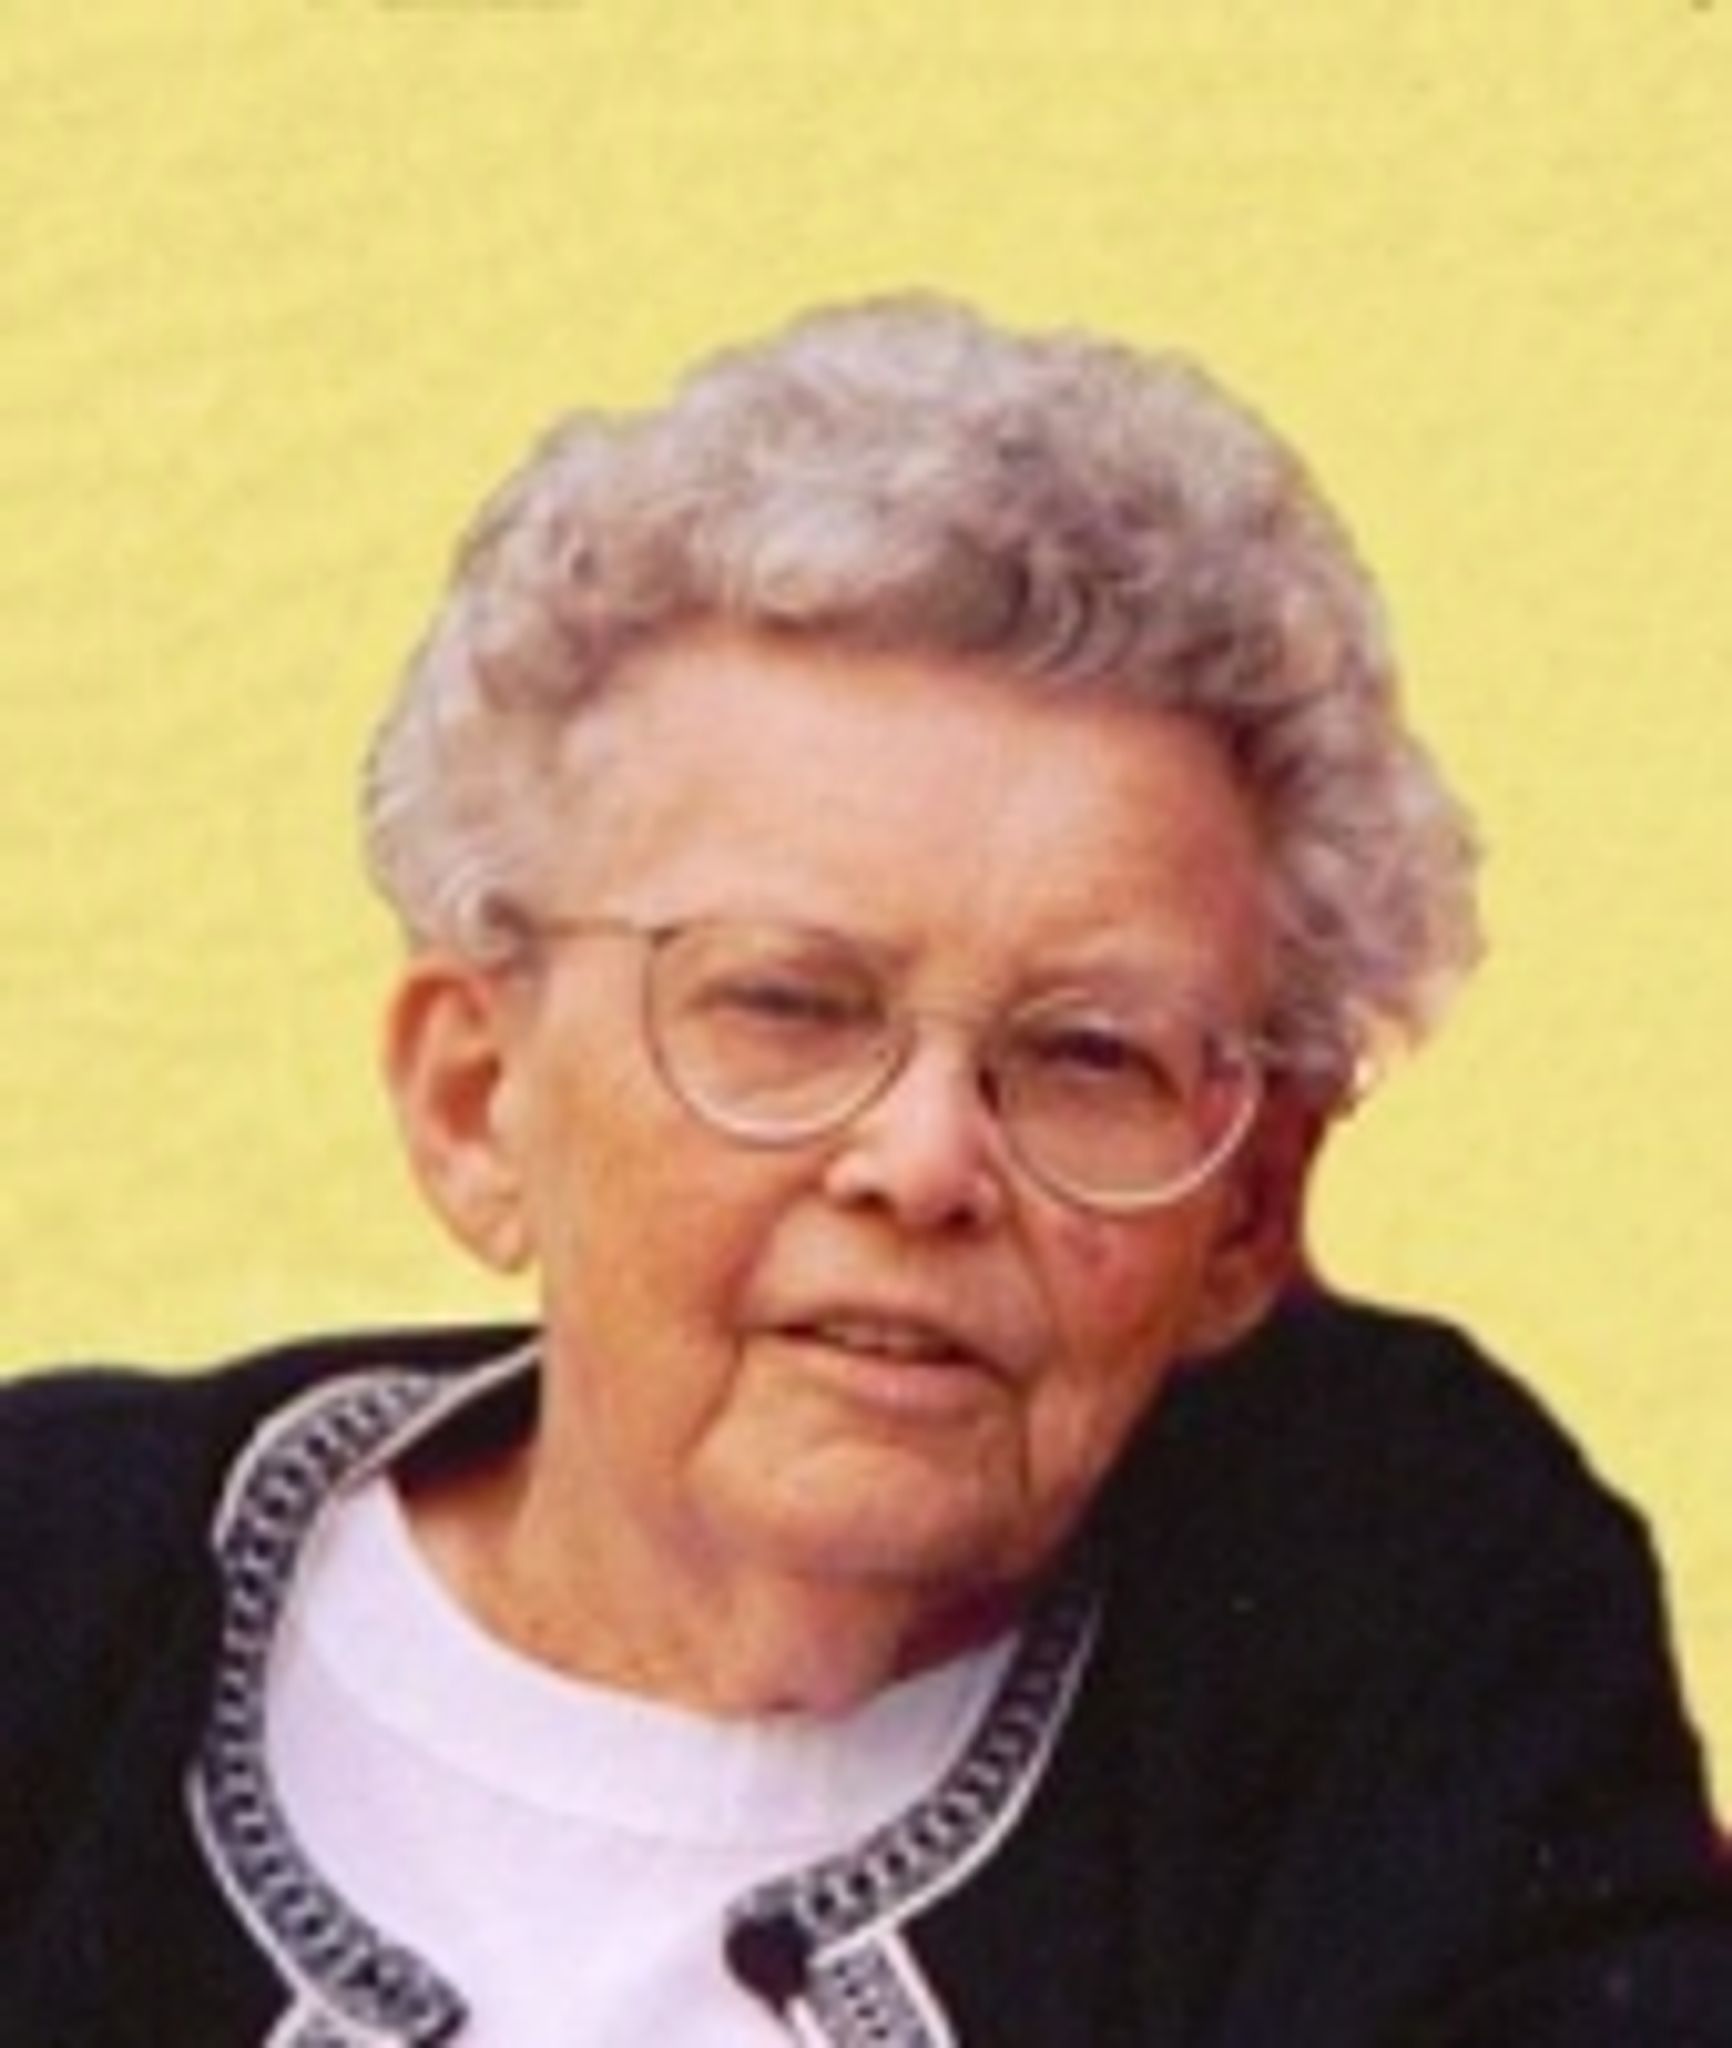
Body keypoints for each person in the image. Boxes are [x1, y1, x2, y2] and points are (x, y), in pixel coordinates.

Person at [3, 297, 1728, 2048]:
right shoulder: (48, 1593)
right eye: (786, 1006)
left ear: (1251, 1209)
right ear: (477, 1102)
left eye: (1089, 1056)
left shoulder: (1404, 1646)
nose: (924, 1162)